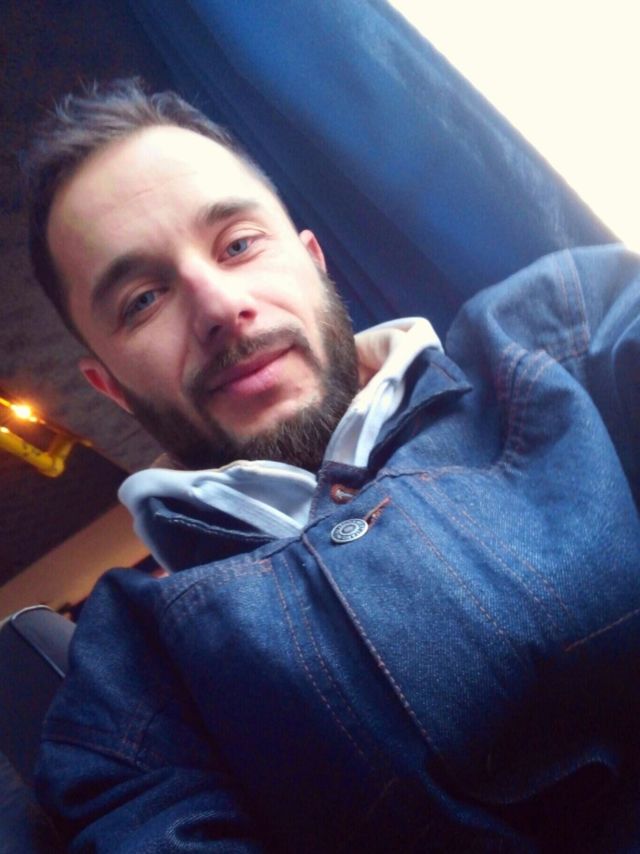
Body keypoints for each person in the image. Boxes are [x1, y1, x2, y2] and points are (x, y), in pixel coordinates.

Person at [25, 78, 640, 852]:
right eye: (143, 299)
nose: (219, 307)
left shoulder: (565, 332)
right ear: (111, 387)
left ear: (313, 261)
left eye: (238, 245)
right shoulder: (131, 661)